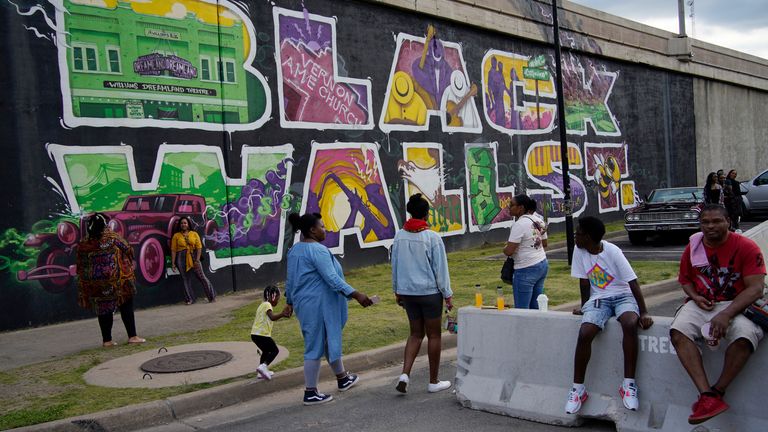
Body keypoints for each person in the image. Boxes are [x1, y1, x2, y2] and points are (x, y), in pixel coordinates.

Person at [670, 204, 765, 425]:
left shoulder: (746, 247)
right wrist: (694, 296)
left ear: (728, 222)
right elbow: (685, 280)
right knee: (678, 332)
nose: (710, 226)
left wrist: (727, 314)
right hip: (704, 303)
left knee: (744, 337)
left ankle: (717, 391)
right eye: (705, 222)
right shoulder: (694, 246)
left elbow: (756, 288)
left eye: (716, 221)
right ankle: (706, 396)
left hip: (739, 302)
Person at [565, 216, 653, 414]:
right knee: (586, 332)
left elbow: (632, 281)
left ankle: (628, 385)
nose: (575, 237)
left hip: (623, 296)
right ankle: (578, 389)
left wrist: (644, 311)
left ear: (587, 236)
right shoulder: (580, 251)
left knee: (630, 323)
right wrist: (584, 306)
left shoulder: (612, 251)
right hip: (600, 299)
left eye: (577, 233)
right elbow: (584, 282)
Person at [285, 212, 374, 405]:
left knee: (326, 341)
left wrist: (289, 302)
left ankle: (342, 378)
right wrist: (356, 294)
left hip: (305, 304)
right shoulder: (317, 250)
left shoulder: (294, 250)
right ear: (312, 230)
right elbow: (332, 279)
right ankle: (310, 392)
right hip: (317, 306)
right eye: (322, 226)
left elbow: (290, 279)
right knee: (315, 346)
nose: (325, 229)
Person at [391, 194, 453, 394]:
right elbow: (441, 270)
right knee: (434, 335)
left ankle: (405, 374)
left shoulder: (399, 236)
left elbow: (395, 266)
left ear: (410, 212)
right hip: (429, 293)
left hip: (407, 292)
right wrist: (447, 295)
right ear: (427, 214)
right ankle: (433, 381)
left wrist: (397, 290)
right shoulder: (432, 237)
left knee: (415, 334)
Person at [76, 213, 146, 347]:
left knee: (103, 309)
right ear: (105, 225)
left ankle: (107, 340)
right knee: (125, 305)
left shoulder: (84, 243)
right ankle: (132, 336)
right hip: (118, 280)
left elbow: (80, 263)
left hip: (96, 283)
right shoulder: (113, 238)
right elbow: (128, 249)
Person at [503, 194, 549, 309]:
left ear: (521, 208)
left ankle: (525, 327)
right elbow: (545, 244)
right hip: (542, 263)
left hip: (525, 269)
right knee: (536, 306)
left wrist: (504, 247)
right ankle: (536, 326)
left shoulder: (519, 225)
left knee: (522, 309)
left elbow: (509, 251)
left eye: (512, 205)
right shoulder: (538, 220)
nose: (509, 207)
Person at [170, 216, 215, 304]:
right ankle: (190, 299)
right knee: (185, 279)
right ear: (180, 225)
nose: (183, 224)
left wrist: (197, 260)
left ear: (188, 224)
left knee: (202, 277)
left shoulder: (194, 234)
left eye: (185, 223)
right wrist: (173, 263)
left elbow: (199, 247)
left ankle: (211, 297)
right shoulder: (176, 236)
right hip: (181, 258)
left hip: (194, 256)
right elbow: (173, 250)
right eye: (182, 223)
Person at [251, 285, 292, 380]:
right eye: (277, 298)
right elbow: (272, 317)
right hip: (262, 334)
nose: (277, 301)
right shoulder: (267, 305)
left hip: (255, 334)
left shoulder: (262, 305)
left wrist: (282, 315)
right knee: (275, 350)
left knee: (266, 351)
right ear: (272, 296)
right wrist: (282, 314)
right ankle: (263, 366)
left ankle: (260, 372)